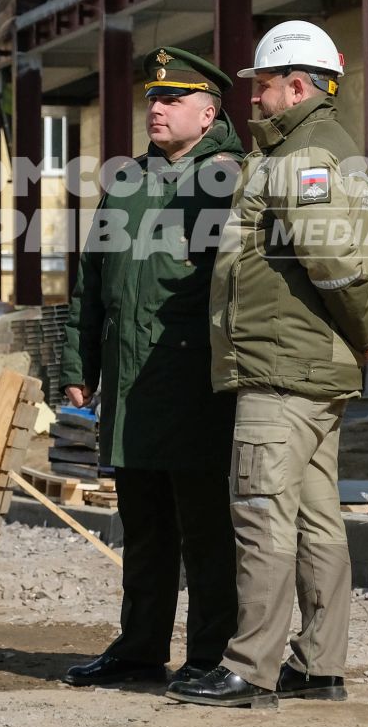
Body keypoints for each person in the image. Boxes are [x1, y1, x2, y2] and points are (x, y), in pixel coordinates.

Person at [170, 20, 368, 710]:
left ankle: (250, 667)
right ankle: (318, 665)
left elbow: (330, 261)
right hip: (307, 363)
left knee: (262, 513)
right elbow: (350, 259)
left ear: (298, 86)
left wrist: (362, 331)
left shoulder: (304, 155)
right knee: (314, 516)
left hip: (283, 367)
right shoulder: (316, 150)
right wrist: (360, 328)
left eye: (263, 87)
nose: (254, 100)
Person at [61, 47, 243, 690]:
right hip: (131, 381)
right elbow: (91, 280)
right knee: (142, 528)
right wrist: (77, 363)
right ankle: (139, 648)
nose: (156, 108)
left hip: (195, 383)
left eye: (172, 99)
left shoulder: (230, 180)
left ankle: (211, 655)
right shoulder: (128, 181)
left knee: (206, 530)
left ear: (209, 110)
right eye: (152, 99)